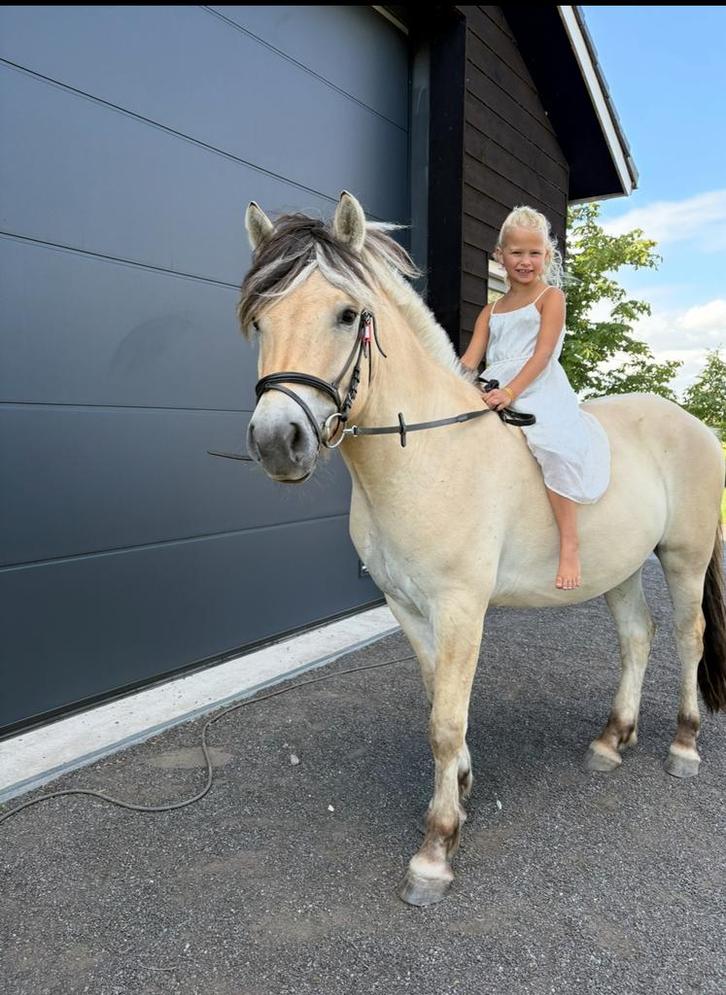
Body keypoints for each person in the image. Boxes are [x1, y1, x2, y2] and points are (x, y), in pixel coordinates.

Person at [461, 205, 610, 591]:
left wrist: (512, 391)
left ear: (546, 256)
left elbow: (543, 354)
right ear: (500, 255)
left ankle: (570, 542)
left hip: (536, 385)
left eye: (533, 253)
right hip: (493, 388)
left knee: (554, 447)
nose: (524, 262)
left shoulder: (550, 298)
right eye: (516, 253)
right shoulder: (489, 311)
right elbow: (469, 362)